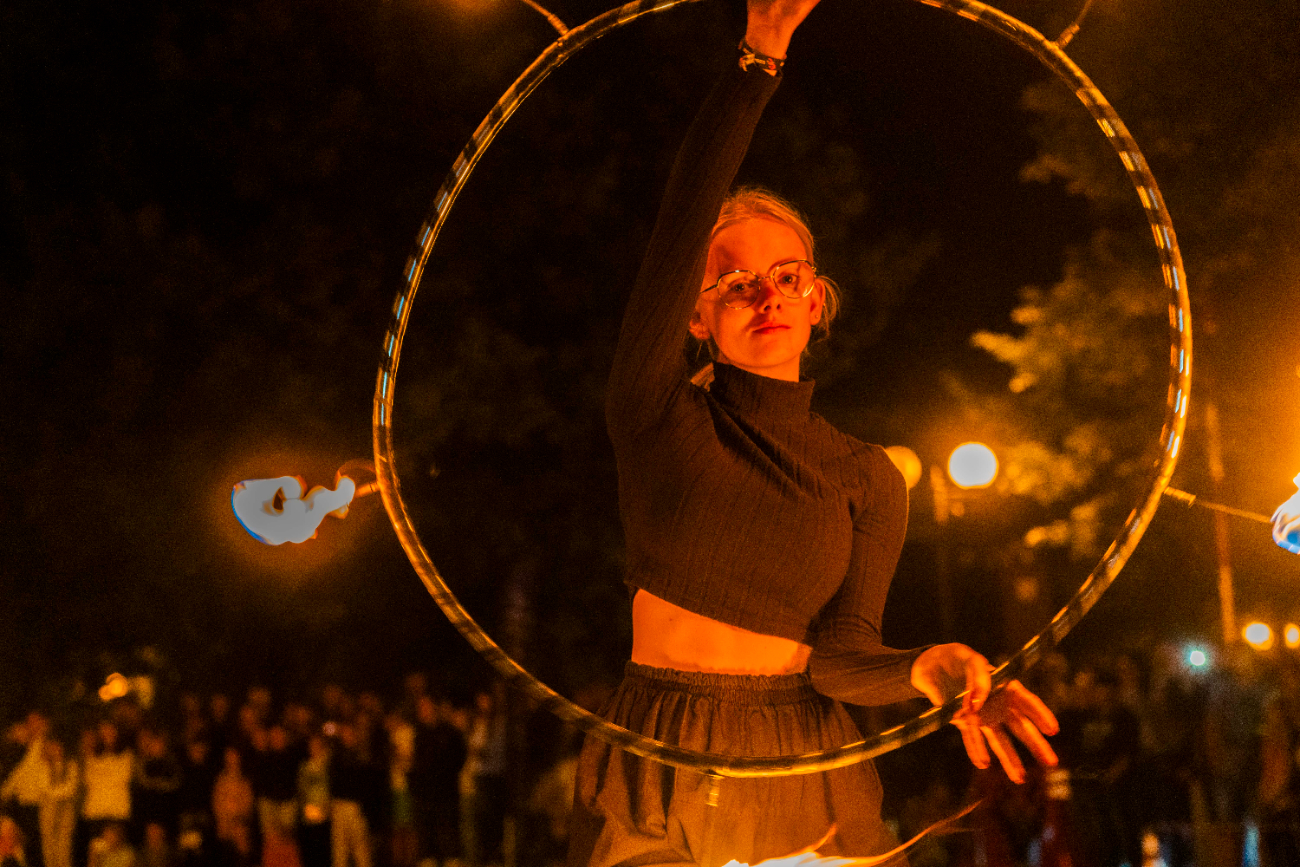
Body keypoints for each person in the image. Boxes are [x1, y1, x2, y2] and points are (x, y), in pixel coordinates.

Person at [566, 2, 1060, 865]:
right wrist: (757, 62)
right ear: (691, 312)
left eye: (787, 275)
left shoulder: (866, 477)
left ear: (817, 298)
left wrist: (927, 668)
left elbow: (841, 658)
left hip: (807, 758)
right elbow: (685, 211)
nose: (766, 294)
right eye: (735, 280)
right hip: (664, 752)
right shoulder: (654, 413)